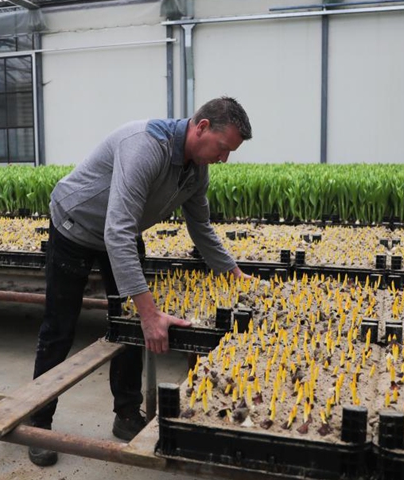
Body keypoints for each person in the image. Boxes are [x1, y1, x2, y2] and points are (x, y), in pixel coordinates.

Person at [28, 97, 253, 466]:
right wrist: (150, 313)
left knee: (130, 325)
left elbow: (200, 227)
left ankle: (126, 413)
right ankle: (38, 423)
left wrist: (235, 275)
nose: (224, 158)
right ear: (201, 128)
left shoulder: (196, 170)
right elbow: (118, 232)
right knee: (59, 328)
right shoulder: (144, 147)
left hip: (119, 230)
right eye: (223, 148)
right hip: (76, 227)